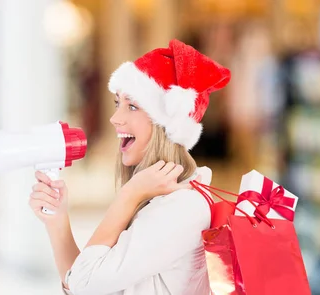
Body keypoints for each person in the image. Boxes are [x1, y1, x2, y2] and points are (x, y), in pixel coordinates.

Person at [28, 39, 231, 295]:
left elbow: (84, 285)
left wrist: (129, 194)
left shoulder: (182, 207)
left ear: (165, 126)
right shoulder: (162, 199)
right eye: (117, 103)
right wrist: (57, 223)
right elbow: (86, 283)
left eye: (132, 106)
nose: (115, 118)